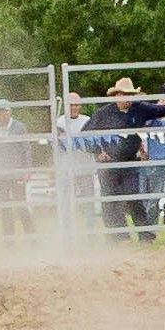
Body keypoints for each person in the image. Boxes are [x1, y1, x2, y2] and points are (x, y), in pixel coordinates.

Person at [85, 78, 165, 243]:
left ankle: (145, 234)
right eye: (126, 95)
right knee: (110, 201)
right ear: (117, 95)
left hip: (129, 161)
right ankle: (118, 237)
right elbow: (86, 134)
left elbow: (154, 116)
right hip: (108, 164)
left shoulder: (138, 110)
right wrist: (97, 152)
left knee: (134, 197)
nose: (129, 99)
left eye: (131, 95)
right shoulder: (103, 113)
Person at [0, 100, 38, 239]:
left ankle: (32, 238)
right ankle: (9, 241)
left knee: (21, 206)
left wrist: (27, 170)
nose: (2, 114)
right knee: (5, 208)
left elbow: (26, 150)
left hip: (16, 173)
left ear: (9, 111)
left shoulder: (19, 127)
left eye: (5, 111)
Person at [54, 91, 101, 232]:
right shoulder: (58, 122)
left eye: (76, 105)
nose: (74, 108)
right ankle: (67, 232)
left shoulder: (87, 121)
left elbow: (94, 143)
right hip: (66, 169)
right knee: (66, 203)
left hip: (85, 168)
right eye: (71, 105)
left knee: (88, 203)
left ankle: (90, 232)